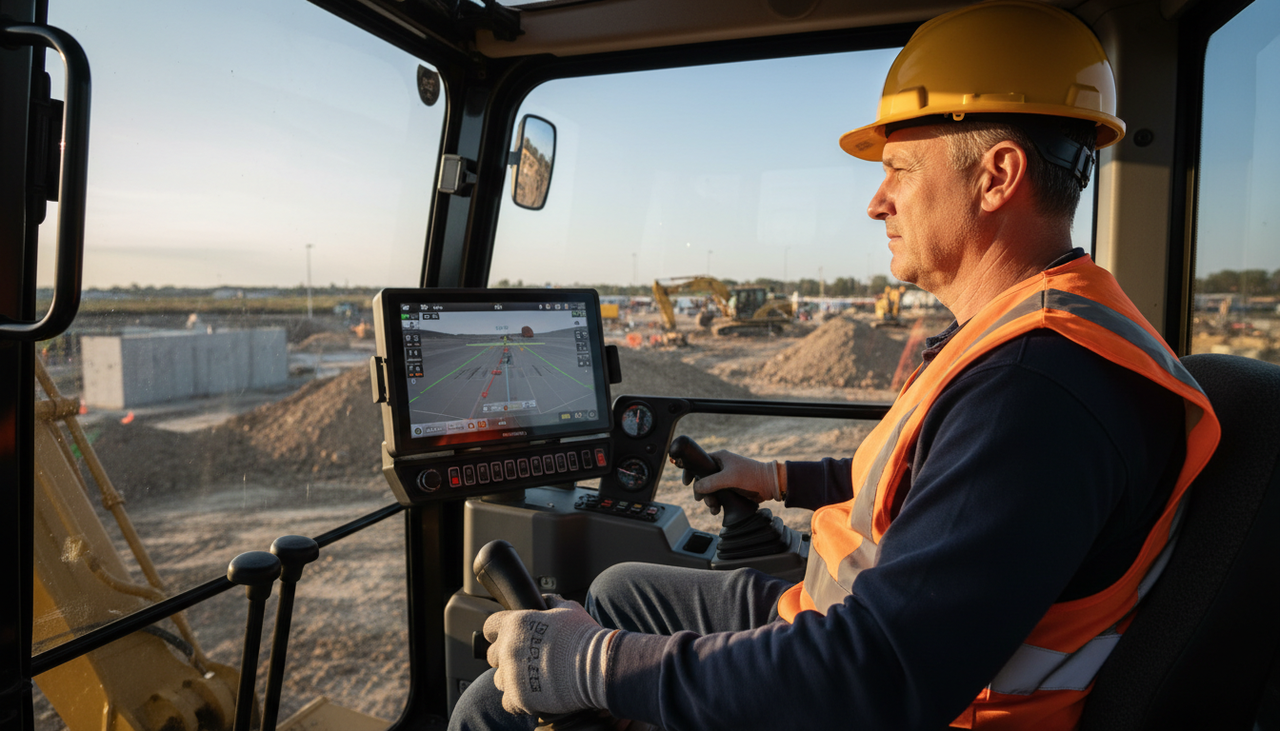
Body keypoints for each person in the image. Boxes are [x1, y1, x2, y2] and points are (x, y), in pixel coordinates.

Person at [451, 2, 1221, 729]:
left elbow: (872, 676)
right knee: (620, 587)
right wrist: (777, 479)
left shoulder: (1037, 392)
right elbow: (929, 482)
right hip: (845, 615)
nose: (876, 201)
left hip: (895, 689)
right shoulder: (1026, 332)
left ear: (998, 175)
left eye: (901, 171)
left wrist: (598, 665)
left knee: (497, 704)